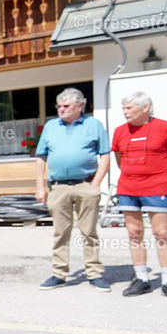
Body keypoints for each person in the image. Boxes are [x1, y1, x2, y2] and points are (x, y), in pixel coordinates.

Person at [34, 88, 111, 291]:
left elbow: (105, 155)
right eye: (58, 106)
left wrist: (96, 184)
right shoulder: (51, 126)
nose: (61, 109)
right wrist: (40, 186)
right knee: (61, 232)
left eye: (66, 106)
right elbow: (41, 158)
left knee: (89, 232)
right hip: (58, 187)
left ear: (79, 106)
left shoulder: (93, 124)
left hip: (86, 185)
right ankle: (59, 273)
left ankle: (94, 273)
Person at [111, 91, 167, 296]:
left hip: (158, 186)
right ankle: (141, 278)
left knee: (162, 233)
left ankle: (166, 279)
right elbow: (119, 159)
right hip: (128, 188)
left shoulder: (163, 127)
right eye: (123, 108)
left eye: (129, 108)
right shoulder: (120, 131)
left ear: (145, 108)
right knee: (134, 232)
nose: (125, 112)